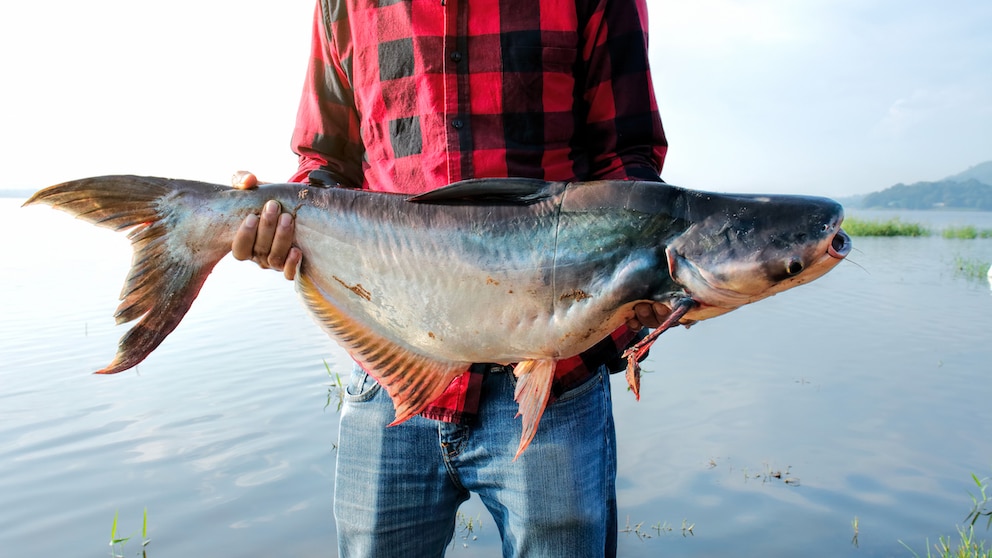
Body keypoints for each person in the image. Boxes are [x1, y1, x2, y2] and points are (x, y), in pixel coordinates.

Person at [232, 0, 669, 555]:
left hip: (555, 376)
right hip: (389, 369)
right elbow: (324, 161)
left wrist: (642, 268)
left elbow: (626, 158)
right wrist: (284, 223)